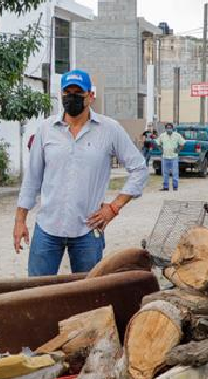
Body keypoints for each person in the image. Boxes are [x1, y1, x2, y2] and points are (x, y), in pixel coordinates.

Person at [14, 69, 147, 276]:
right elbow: (32, 178)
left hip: (88, 230)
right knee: (35, 294)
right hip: (47, 229)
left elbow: (139, 168)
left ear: (90, 96)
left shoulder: (110, 129)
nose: (72, 97)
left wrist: (114, 207)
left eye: (78, 93)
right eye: (68, 92)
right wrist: (20, 220)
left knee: (87, 296)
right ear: (61, 95)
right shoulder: (46, 129)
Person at [156, 122, 186, 191]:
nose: (168, 129)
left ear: (172, 128)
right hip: (165, 157)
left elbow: (182, 143)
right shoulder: (162, 136)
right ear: (165, 129)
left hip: (174, 157)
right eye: (167, 128)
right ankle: (166, 187)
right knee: (165, 173)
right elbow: (158, 143)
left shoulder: (177, 135)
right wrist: (161, 150)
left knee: (175, 172)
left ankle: (175, 187)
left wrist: (178, 150)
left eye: (170, 128)